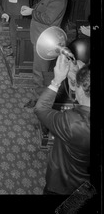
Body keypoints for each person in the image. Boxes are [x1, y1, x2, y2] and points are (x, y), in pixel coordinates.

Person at [34, 55, 90, 195]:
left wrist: (57, 80)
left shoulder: (73, 122)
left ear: (82, 90)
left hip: (63, 187)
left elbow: (41, 109)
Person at [20, 0, 67, 103]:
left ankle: (39, 102)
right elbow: (43, 7)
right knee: (39, 70)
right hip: (41, 36)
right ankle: (39, 97)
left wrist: (31, 12)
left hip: (45, 40)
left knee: (40, 72)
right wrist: (32, 9)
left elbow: (48, 18)